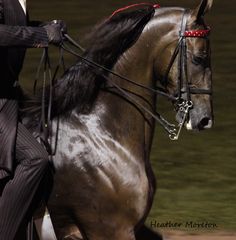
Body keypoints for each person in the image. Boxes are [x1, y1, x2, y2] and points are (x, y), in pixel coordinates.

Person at [0, 0, 67, 238]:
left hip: (8, 96)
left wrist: (47, 29)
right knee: (34, 158)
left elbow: (13, 25)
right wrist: (41, 34)